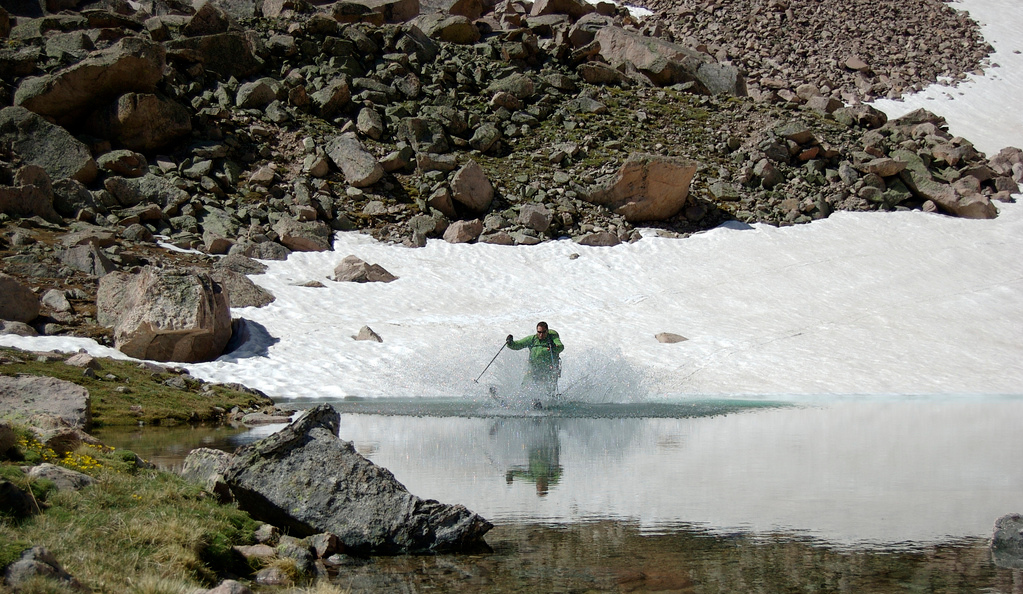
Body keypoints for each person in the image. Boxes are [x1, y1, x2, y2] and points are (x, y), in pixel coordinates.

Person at [506, 321, 564, 405]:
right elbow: (518, 345)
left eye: (543, 332)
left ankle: (547, 403)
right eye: (539, 332)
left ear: (547, 331)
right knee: (525, 385)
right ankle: (519, 403)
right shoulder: (533, 339)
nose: (541, 334)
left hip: (549, 370)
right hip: (534, 369)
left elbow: (560, 347)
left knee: (548, 389)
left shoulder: (552, 339)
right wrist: (510, 343)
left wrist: (554, 347)